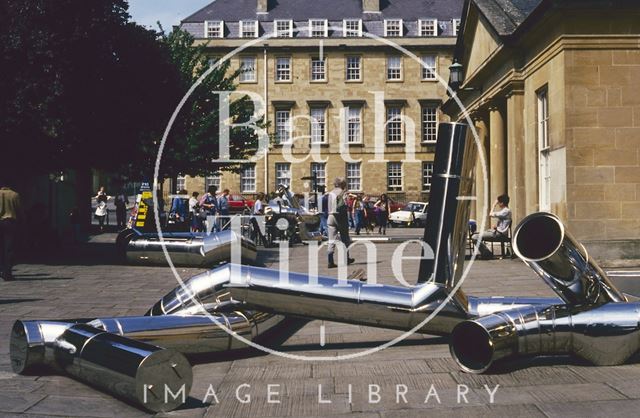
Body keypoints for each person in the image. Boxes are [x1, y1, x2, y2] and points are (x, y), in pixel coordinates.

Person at [326, 177, 355, 268]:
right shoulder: (343, 193)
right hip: (341, 217)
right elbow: (346, 205)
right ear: (342, 184)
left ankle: (330, 261)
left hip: (331, 217)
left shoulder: (330, 193)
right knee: (345, 239)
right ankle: (346, 259)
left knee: (331, 240)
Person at [472, 194, 512, 259]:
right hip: (498, 232)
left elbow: (490, 214)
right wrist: (497, 227)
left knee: (475, 237)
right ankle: (486, 253)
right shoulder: (505, 211)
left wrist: (493, 205)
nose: (498, 204)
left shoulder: (506, 211)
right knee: (477, 234)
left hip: (499, 234)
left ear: (502, 203)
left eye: (499, 202)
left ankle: (487, 254)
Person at [0, 182, 23, 281]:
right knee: (9, 247)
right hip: (9, 221)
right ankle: (7, 272)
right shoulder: (14, 194)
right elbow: (18, 209)